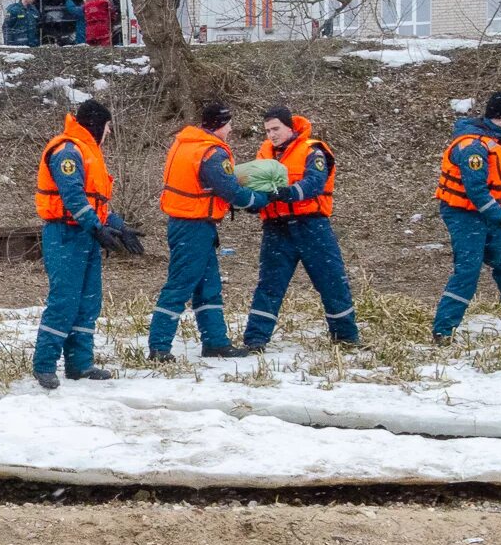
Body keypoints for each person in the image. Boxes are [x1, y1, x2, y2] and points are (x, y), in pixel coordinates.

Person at [32, 100, 144, 389]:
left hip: (85, 235)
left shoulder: (88, 151)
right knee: (64, 301)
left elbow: (99, 205)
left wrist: (120, 228)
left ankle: (80, 364)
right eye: (108, 127)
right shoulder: (67, 151)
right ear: (96, 125)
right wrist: (97, 229)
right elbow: (73, 197)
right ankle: (44, 364)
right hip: (65, 235)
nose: (109, 133)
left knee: (88, 302)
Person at [147, 101, 271, 361]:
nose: (230, 129)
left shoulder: (185, 143)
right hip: (193, 226)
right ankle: (159, 347)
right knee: (180, 286)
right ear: (220, 125)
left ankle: (215, 342)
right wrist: (260, 200)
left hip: (191, 223)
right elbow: (230, 190)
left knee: (208, 286)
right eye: (228, 124)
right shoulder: (211, 153)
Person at [242, 107, 358, 351]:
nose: (271, 135)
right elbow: (256, 186)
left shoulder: (312, 150)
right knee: (269, 285)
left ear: (290, 127)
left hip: (311, 225)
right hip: (276, 227)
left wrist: (286, 193)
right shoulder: (264, 154)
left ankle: (346, 337)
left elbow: (314, 183)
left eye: (276, 129)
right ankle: (255, 340)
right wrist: (251, 202)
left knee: (331, 281)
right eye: (267, 131)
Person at [432, 90, 501, 342]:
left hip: (485, 214)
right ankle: (443, 331)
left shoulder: (498, 142)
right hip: (463, 215)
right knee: (468, 272)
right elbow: (476, 191)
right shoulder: (472, 147)